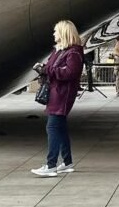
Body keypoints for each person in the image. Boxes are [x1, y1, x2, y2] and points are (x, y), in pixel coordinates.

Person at [31, 20, 84, 177]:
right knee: (60, 128)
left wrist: (49, 70)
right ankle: (67, 162)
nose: (54, 34)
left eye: (56, 31)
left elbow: (70, 73)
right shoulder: (59, 50)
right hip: (56, 92)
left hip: (62, 94)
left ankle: (51, 164)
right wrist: (43, 69)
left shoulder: (73, 52)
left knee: (52, 127)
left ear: (64, 33)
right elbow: (51, 68)